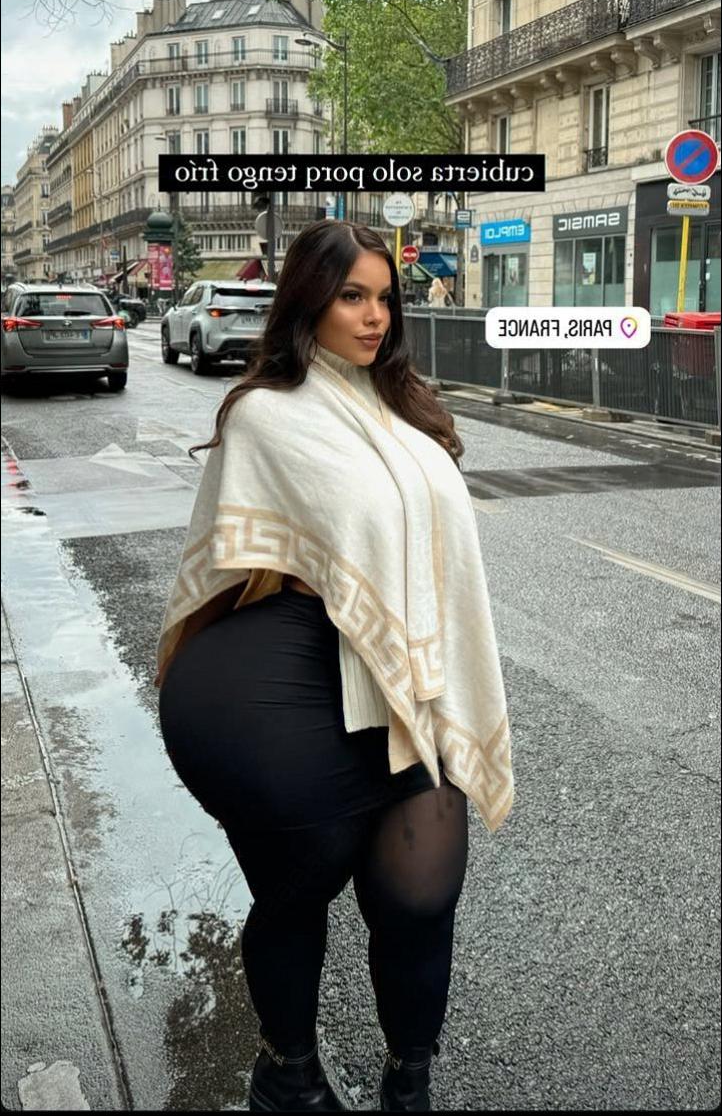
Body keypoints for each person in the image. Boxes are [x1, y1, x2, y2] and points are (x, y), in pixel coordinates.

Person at [156, 219, 513, 1113]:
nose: (374, 316)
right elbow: (234, 558)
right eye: (352, 295)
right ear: (309, 300)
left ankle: (409, 1079)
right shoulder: (268, 416)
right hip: (309, 689)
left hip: (412, 688)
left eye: (384, 297)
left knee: (423, 899)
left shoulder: (406, 409)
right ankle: (288, 1069)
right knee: (295, 892)